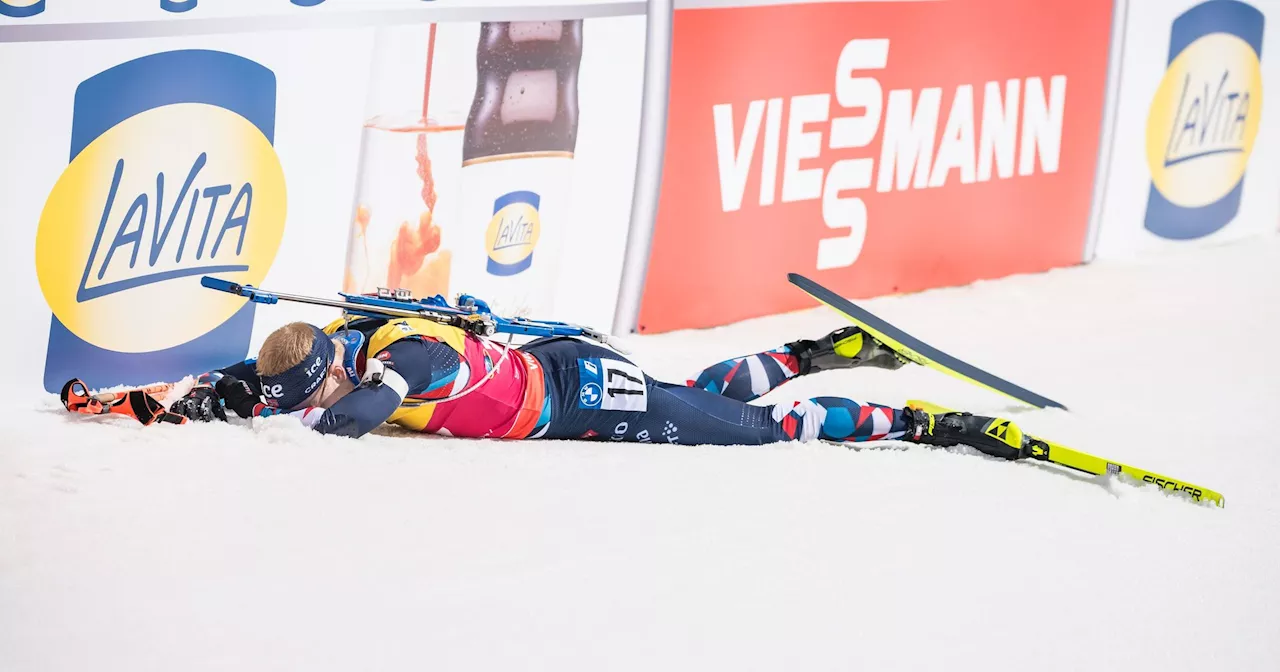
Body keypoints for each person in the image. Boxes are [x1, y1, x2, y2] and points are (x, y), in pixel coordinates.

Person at [170, 312, 1028, 460]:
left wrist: (295, 429)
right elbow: (266, 383)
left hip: (580, 399)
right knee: (697, 389)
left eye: (310, 394)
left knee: (758, 431)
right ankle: (814, 352)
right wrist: (195, 400)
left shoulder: (403, 356)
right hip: (562, 365)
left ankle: (912, 423)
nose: (308, 404)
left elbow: (351, 418)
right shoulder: (333, 348)